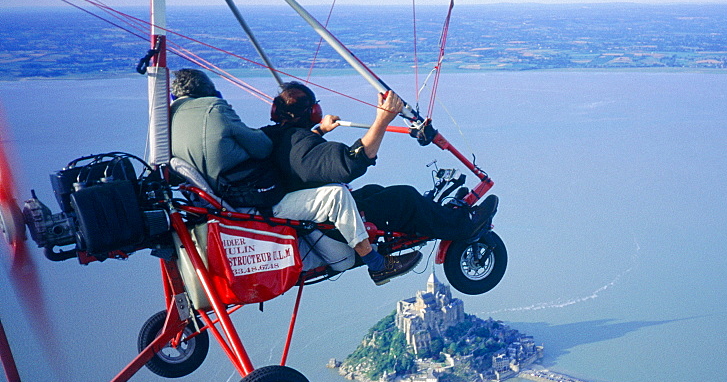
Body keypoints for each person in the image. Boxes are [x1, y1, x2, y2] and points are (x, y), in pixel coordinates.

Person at [168, 69, 420, 285]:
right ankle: (377, 264)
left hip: (224, 205)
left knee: (366, 193)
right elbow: (262, 148)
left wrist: (318, 130)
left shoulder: (172, 120)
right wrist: (383, 119)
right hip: (254, 207)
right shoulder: (215, 109)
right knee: (336, 195)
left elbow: (266, 141)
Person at [261, 81, 498, 242]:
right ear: (314, 111)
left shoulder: (272, 136)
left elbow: (301, 153)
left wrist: (319, 132)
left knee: (375, 192)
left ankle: (432, 217)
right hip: (324, 226)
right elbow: (352, 162)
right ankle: (463, 226)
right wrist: (382, 120)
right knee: (406, 198)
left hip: (305, 211)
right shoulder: (301, 148)